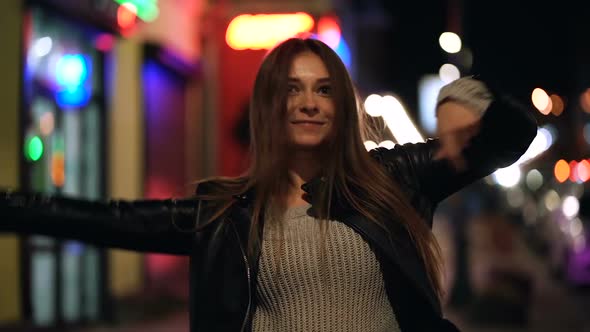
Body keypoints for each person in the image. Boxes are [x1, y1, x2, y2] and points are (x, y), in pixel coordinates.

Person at [1, 38, 537, 331]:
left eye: (324, 90)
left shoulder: (392, 177)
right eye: (293, 89)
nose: (308, 102)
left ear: (340, 106)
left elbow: (511, 138)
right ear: (270, 105)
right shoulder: (228, 212)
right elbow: (107, 219)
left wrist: (464, 104)